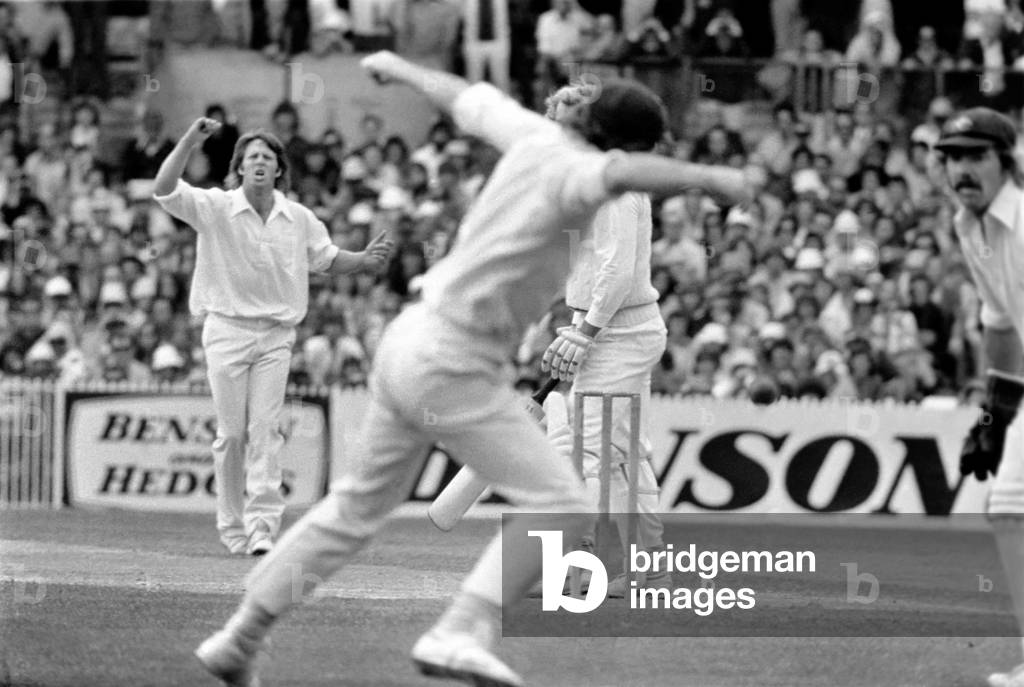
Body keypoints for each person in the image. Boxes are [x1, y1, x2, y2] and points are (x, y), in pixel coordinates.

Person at [194, 50, 752, 687]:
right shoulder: (585, 172)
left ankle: (239, 637)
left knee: (354, 508)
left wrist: (396, 66)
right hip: (453, 361)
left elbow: (461, 95)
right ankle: (461, 629)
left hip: (408, 340)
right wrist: (712, 177)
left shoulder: (531, 134)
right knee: (562, 502)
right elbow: (628, 171)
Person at [152, 120, 392, 558]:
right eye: (252, 157)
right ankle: (232, 527)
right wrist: (189, 141)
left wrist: (362, 260)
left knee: (265, 430)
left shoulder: (297, 217)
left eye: (267, 157)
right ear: (240, 168)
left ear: (279, 169)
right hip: (226, 329)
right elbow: (164, 188)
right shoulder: (217, 206)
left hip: (277, 334)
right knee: (232, 435)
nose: (260, 162)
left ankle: (262, 526)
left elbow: (327, 258)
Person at [539, 82, 671, 598]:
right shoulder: (592, 182)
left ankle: (579, 570)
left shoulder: (616, 184)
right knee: (624, 454)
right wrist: (573, 322)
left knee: (588, 453)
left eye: (570, 122)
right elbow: (588, 265)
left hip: (619, 332)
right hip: (615, 328)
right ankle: (649, 569)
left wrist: (586, 330)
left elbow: (617, 271)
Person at [935, 107, 1024, 687]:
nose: (962, 169)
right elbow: (1000, 324)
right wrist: (997, 413)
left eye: (976, 156)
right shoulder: (969, 227)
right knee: (1010, 510)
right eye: (952, 157)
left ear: (1006, 162)